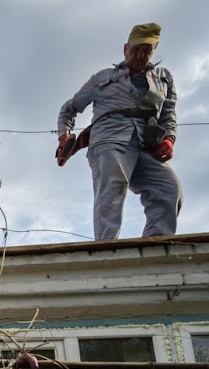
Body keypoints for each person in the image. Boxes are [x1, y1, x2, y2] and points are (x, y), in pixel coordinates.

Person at [56, 23, 182, 241]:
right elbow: (69, 109)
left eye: (147, 50)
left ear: (154, 49)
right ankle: (106, 248)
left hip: (145, 142)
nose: (140, 55)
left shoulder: (164, 78)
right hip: (109, 137)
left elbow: (168, 112)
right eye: (135, 50)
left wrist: (169, 138)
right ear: (125, 48)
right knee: (114, 183)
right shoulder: (102, 78)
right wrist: (64, 136)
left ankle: (156, 246)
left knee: (169, 188)